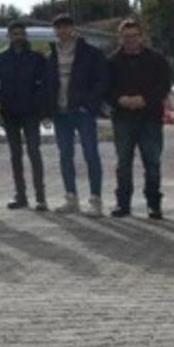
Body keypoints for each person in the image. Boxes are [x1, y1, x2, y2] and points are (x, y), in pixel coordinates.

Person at [106, 19, 173, 220]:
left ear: (141, 36)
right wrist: (120, 99)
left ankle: (154, 205)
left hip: (150, 119)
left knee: (152, 163)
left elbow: (164, 85)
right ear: (120, 38)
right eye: (126, 36)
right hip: (122, 119)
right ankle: (123, 204)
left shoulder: (157, 60)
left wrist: (144, 99)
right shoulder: (111, 62)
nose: (130, 40)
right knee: (123, 163)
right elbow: (105, 88)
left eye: (134, 35)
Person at [0, 20, 50, 212]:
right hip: (10, 113)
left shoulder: (37, 58)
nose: (18, 37)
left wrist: (41, 108)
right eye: (14, 34)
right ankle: (20, 196)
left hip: (31, 113)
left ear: (25, 36)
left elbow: (45, 85)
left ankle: (40, 198)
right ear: (9, 36)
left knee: (34, 153)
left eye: (21, 33)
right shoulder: (0, 58)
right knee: (15, 155)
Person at [47, 14, 109, 217]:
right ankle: (71, 198)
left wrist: (89, 105)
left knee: (91, 154)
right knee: (65, 156)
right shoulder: (51, 54)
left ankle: (95, 200)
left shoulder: (90, 53)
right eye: (58, 28)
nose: (62, 31)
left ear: (73, 28)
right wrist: (48, 110)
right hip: (61, 113)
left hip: (82, 112)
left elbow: (101, 80)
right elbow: (48, 85)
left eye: (65, 27)